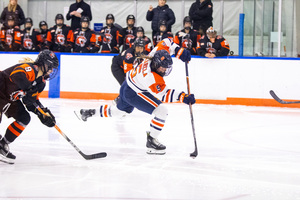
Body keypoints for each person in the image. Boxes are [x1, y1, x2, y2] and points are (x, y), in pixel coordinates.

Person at [77, 38, 192, 155]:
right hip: (133, 93)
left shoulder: (154, 54)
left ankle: (91, 112)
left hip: (127, 86)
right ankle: (151, 142)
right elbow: (164, 94)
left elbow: (167, 42)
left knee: (119, 111)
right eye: (163, 68)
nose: (165, 70)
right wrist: (183, 97)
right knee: (161, 111)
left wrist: (178, 51)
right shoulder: (150, 77)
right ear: (156, 65)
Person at [0, 49, 59, 164]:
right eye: (50, 67)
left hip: (10, 99)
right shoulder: (31, 68)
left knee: (24, 118)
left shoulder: (41, 83)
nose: (52, 71)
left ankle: (2, 145)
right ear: (43, 64)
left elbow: (31, 101)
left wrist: (42, 114)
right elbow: (17, 76)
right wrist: (29, 89)